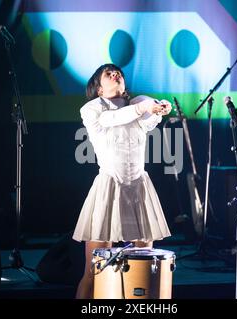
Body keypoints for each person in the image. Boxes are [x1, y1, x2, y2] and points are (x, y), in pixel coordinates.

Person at [72, 64, 172, 299]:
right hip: (109, 187)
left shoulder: (136, 104)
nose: (115, 74)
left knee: (143, 268)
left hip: (138, 188)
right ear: (99, 89)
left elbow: (147, 111)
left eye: (118, 72)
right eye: (108, 73)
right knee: (93, 271)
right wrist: (144, 107)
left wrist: (158, 107)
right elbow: (114, 118)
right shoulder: (92, 110)